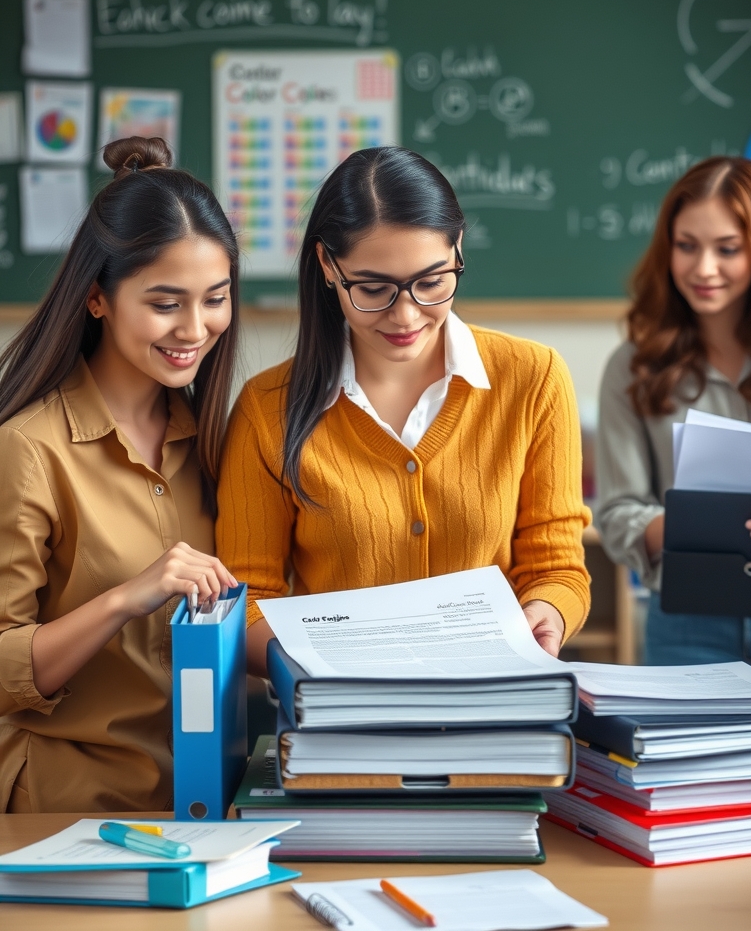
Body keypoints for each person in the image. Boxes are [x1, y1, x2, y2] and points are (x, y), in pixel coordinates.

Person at [216, 146, 590, 676]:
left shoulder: (533, 378)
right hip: (346, 732)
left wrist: (546, 612)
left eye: (432, 282)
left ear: (458, 248)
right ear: (328, 265)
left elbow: (556, 566)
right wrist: (333, 664)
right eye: (374, 289)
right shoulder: (265, 409)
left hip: (498, 727)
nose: (407, 314)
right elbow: (246, 601)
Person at [0, 137, 239, 812]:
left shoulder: (222, 439)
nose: (196, 328)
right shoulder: (29, 449)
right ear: (98, 298)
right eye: (165, 303)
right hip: (66, 812)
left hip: (207, 807)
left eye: (215, 298)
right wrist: (126, 598)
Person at [596, 155, 751, 676]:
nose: (704, 268)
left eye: (727, 249)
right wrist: (695, 524)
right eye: (687, 246)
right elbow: (616, 515)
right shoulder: (632, 367)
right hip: (688, 625)